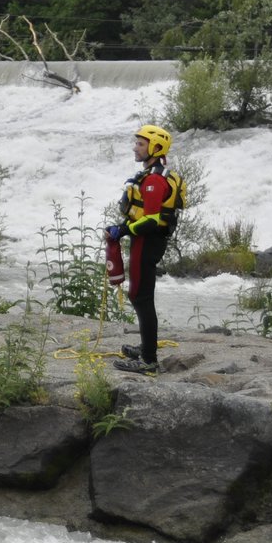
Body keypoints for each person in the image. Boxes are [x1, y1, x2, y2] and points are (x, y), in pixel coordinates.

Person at [104, 124, 184, 375]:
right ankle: (146, 347)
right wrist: (122, 226)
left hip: (148, 242)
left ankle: (148, 359)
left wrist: (123, 231)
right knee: (141, 295)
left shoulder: (153, 180)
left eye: (140, 143)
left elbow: (150, 220)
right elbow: (142, 216)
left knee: (140, 296)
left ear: (156, 147)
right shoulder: (152, 174)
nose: (134, 147)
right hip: (146, 240)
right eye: (136, 142)